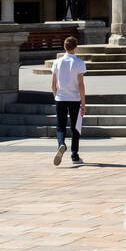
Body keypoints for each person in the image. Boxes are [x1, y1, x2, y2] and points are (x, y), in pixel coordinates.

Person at [50, 36, 87, 166]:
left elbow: (53, 84)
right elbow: (81, 84)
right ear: (76, 47)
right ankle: (75, 155)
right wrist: (83, 102)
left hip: (60, 98)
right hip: (75, 99)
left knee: (60, 126)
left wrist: (56, 96)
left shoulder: (57, 62)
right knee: (75, 127)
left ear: (64, 47)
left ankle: (61, 144)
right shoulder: (79, 63)